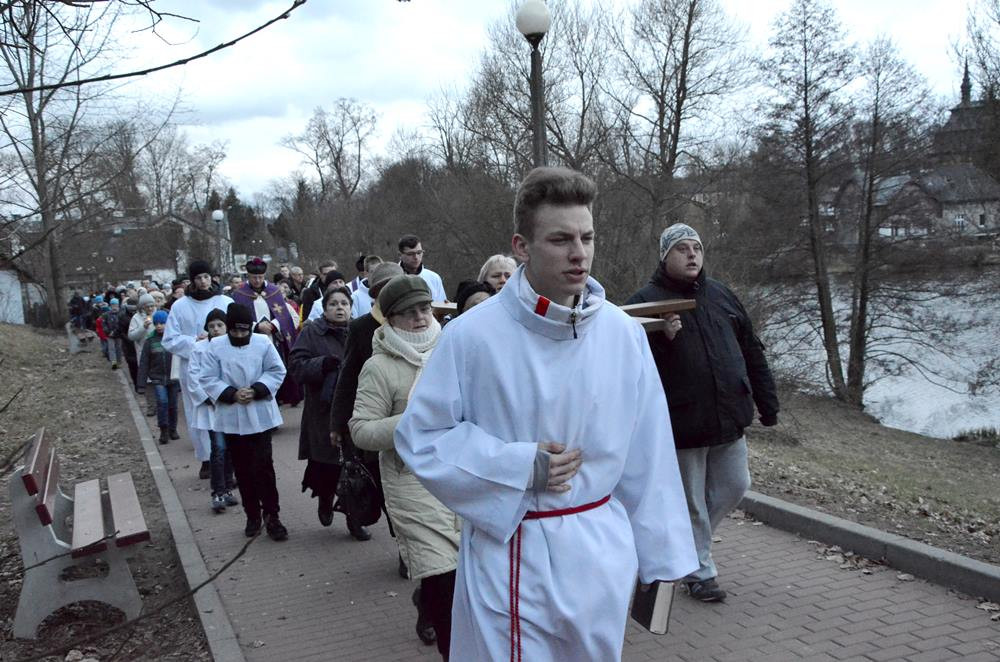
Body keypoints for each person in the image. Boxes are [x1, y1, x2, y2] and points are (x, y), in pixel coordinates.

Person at [395, 167, 697, 660]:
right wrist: (516, 466)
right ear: (522, 245)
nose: (579, 252)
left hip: (601, 552)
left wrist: (660, 561)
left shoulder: (622, 335)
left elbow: (651, 455)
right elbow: (421, 436)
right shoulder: (471, 337)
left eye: (587, 237)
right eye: (560, 239)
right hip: (514, 550)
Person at [625, 222, 779, 602]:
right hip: (683, 422)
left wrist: (767, 401)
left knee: (735, 485)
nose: (692, 254)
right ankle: (699, 572)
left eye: (696, 247)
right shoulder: (644, 302)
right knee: (691, 502)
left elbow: (751, 350)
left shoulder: (722, 295)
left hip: (729, 416)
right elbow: (628, 370)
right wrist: (664, 339)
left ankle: (681, 546)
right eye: (682, 249)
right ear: (665, 256)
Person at [351, 275, 459, 660]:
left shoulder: (452, 350)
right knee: (447, 582)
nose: (419, 318)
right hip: (410, 484)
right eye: (408, 312)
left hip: (459, 476)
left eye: (425, 309)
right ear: (390, 319)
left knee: (464, 578)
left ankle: (425, 598)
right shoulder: (378, 367)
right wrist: (412, 423)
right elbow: (360, 430)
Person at [198, 303, 289, 541]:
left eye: (244, 331)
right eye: (235, 332)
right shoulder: (216, 346)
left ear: (250, 328)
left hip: (259, 414)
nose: (239, 336)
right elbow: (207, 377)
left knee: (264, 468)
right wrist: (230, 393)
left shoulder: (262, 343)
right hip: (232, 417)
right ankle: (252, 515)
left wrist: (257, 389)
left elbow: (277, 370)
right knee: (243, 470)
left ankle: (273, 516)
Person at [289, 286, 371, 540]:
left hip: (356, 409)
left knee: (354, 468)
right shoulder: (312, 332)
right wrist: (321, 364)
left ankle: (354, 520)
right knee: (327, 467)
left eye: (344, 303)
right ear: (324, 309)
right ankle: (324, 500)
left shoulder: (358, 330)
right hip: (322, 413)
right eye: (333, 304)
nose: (339, 308)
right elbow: (296, 367)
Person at [162, 260, 234, 479]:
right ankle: (206, 458)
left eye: (206, 277)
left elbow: (239, 328)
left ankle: (229, 460)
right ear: (191, 281)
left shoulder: (225, 301)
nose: (203, 282)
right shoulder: (180, 306)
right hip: (194, 367)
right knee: (199, 414)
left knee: (226, 410)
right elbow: (170, 339)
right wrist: (196, 341)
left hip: (224, 365)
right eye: (198, 278)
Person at [230, 257, 302, 407]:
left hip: (274, 338)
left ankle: (280, 399)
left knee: (276, 369)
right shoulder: (239, 294)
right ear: (248, 276)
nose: (257, 280)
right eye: (254, 277)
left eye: (260, 277)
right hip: (252, 339)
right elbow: (237, 317)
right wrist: (256, 326)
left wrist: (274, 325)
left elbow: (284, 314)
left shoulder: (274, 291)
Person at [187, 308, 239, 514]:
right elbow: (193, 377)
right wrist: (208, 397)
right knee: (218, 449)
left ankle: (227, 486)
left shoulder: (231, 347)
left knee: (231, 449)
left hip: (230, 404)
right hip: (212, 407)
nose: (216, 329)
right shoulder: (199, 349)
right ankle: (217, 492)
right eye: (212, 326)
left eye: (220, 325)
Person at [137, 310, 179, 444]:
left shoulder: (175, 339)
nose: (159, 326)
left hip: (173, 378)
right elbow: (144, 363)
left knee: (173, 404)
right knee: (162, 402)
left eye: (162, 323)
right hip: (157, 378)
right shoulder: (150, 341)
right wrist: (141, 384)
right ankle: (164, 429)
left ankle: (173, 428)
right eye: (156, 323)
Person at [398, 234, 447, 302]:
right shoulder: (391, 278)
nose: (416, 257)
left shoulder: (434, 278)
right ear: (400, 255)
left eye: (419, 252)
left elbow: (442, 309)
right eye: (410, 254)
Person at [100, 298, 125, 369]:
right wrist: (108, 332)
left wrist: (116, 331)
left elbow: (122, 324)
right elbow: (103, 324)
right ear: (110, 306)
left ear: (118, 305)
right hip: (109, 335)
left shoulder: (121, 314)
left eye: (116, 305)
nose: (114, 307)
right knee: (111, 349)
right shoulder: (106, 314)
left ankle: (119, 363)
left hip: (118, 334)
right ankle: (114, 364)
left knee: (119, 349)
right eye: (113, 305)